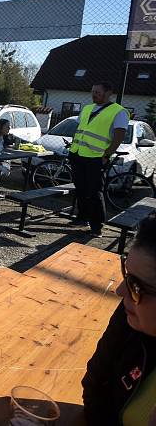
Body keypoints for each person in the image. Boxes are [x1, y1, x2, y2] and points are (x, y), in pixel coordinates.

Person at [83, 213, 156, 425]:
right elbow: (95, 383)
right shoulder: (132, 315)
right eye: (126, 272)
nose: (120, 290)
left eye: (137, 285)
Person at [69, 81, 129, 237]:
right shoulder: (87, 108)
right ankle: (82, 217)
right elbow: (80, 129)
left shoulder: (118, 111)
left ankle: (97, 226)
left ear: (109, 93)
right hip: (77, 153)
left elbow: (119, 135)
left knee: (95, 192)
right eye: (93, 91)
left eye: (98, 92)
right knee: (80, 188)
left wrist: (107, 154)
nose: (94, 94)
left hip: (96, 157)